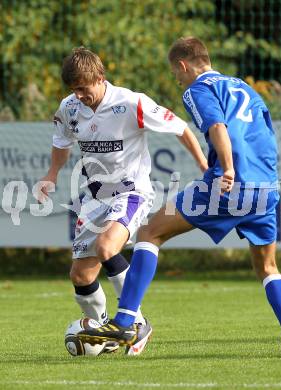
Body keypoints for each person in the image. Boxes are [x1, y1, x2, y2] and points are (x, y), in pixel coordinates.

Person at [78, 37, 281, 358]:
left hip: (228, 183)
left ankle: (126, 321)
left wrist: (226, 168)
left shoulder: (198, 89)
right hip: (266, 185)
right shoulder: (244, 87)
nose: (177, 79)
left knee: (149, 232)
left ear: (184, 65)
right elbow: (265, 134)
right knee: (268, 267)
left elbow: (217, 126)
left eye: (176, 72)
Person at [39, 46, 208, 356]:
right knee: (80, 275)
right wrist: (51, 174)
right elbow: (61, 142)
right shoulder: (69, 107)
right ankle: (105, 330)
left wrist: (204, 166)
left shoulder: (131, 103)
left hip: (132, 193)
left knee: (107, 247)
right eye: (73, 90)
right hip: (94, 199)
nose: (78, 95)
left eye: (83, 88)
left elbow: (181, 128)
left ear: (100, 78)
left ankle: (135, 323)